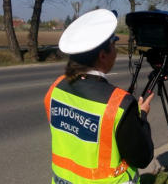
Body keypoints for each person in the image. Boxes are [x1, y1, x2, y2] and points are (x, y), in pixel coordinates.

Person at [44, 9, 154, 184]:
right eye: (114, 47)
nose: (116, 53)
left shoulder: (56, 88)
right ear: (103, 55)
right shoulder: (119, 104)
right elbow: (141, 158)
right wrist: (142, 115)